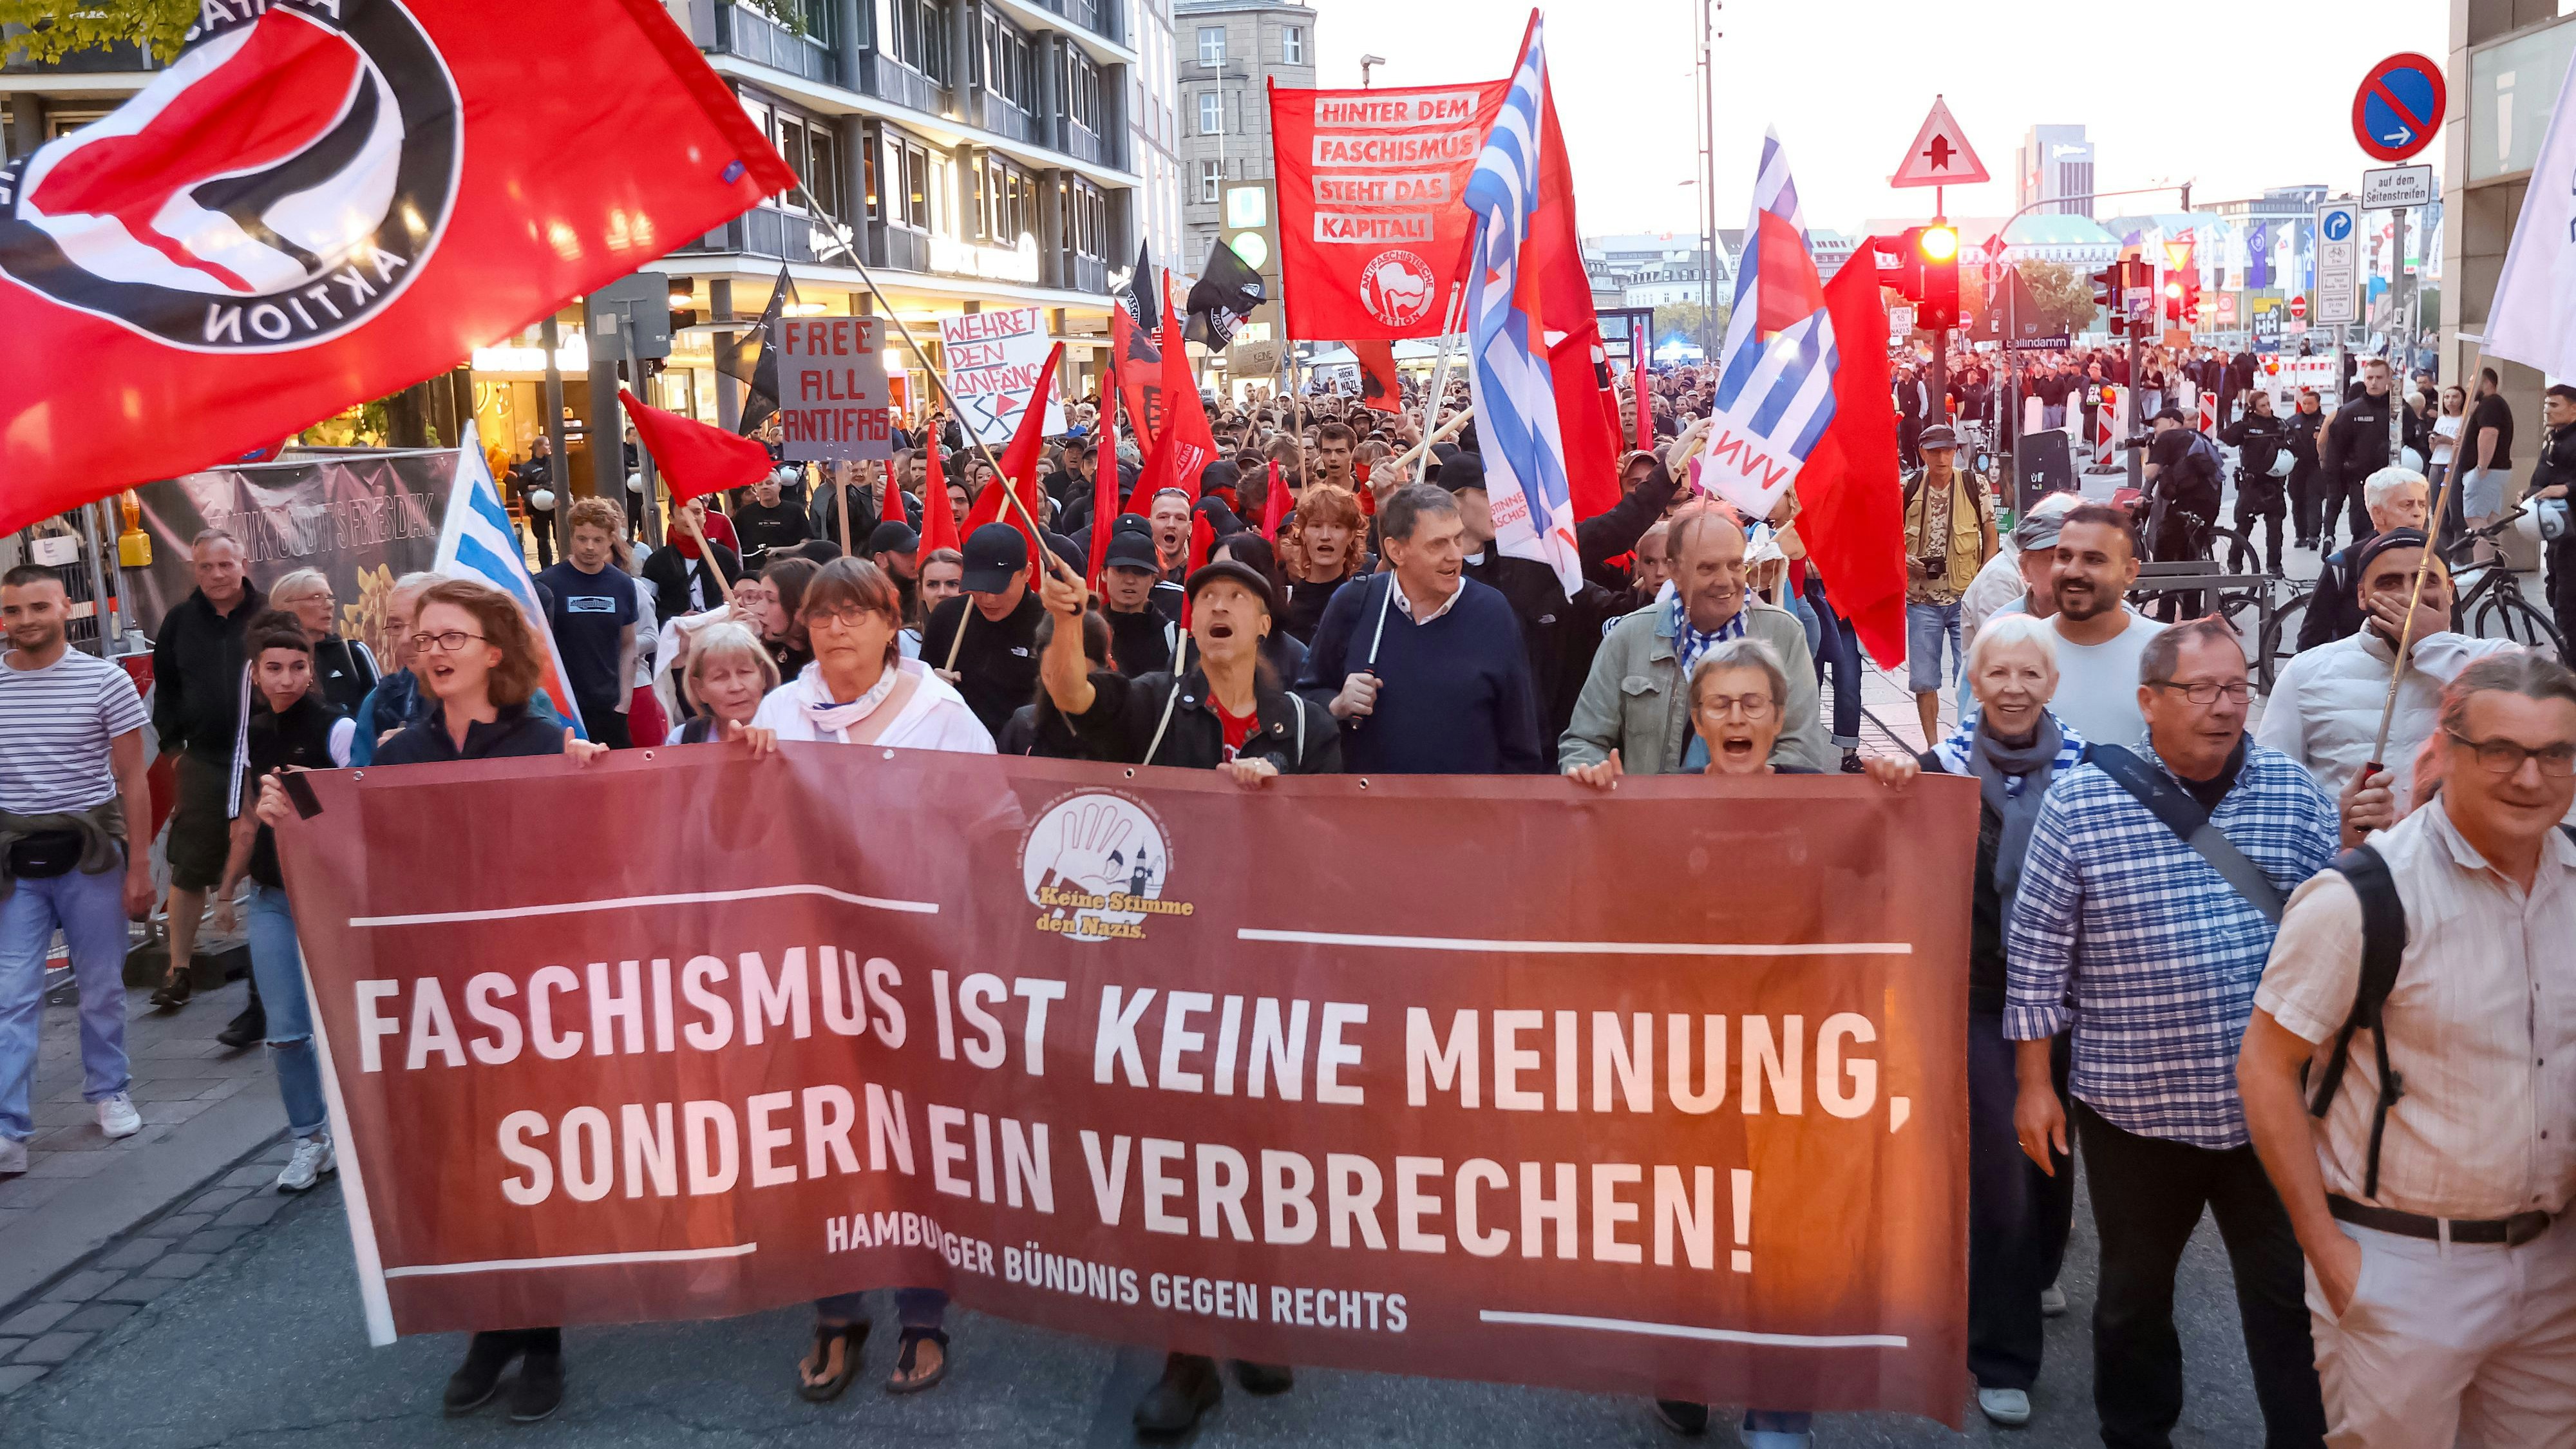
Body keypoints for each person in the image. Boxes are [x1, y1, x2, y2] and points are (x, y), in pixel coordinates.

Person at [2007, 616, 2340, 1449]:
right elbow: (2039, 951)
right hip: (2134, 1112)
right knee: (2132, 1299)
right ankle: (2136, 1434)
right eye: (2202, 689)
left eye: (2237, 687)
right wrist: (2036, 1083)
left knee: (2290, 1300)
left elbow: (2337, 938)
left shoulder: (2296, 795)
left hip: (2270, 1115)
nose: (2226, 706)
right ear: (2149, 701)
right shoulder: (2082, 801)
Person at [2239, 652, 2576, 1448]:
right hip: (2404, 1270)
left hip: (2555, 1272)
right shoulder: (2362, 897)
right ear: (2446, 749)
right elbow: (2265, 1065)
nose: (2529, 778)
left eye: (2555, 753)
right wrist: (2329, 1253)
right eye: (2500, 751)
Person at [1612, 634, 1911, 1448]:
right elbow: (1611, 919)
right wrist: (1588, 797)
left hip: (1794, 1068)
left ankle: (1779, 1405)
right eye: (1720, 704)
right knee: (1689, 1223)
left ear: (1780, 717)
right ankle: (1688, 1368)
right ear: (1698, 720)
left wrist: (1896, 796)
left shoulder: (1829, 804)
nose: (1736, 716)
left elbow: (1894, 895)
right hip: (1686, 1062)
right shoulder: (1652, 807)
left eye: (1753, 703)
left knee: (1788, 1236)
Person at [728, 558, 985, 1399]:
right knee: (823, 1137)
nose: (836, 628)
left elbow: (994, 826)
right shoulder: (778, 711)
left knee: (913, 1143)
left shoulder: (940, 712)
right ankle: (836, 1312)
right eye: (822, 614)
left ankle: (921, 1314)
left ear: (890, 623)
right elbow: (738, 832)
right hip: (811, 961)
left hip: (915, 960)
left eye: (855, 612)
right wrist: (745, 769)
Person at [363, 580, 603, 1420]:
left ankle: (540, 1340)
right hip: (440, 993)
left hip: (530, 992)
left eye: (453, 636)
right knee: (462, 1167)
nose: (433, 650)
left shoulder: (547, 741)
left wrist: (593, 777)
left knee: (528, 1164)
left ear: (494, 651)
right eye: (425, 638)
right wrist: (296, 803)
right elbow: (364, 851)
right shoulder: (397, 754)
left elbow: (594, 857)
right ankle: (488, 1327)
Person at [0, 565, 154, 1175]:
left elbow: (132, 779)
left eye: (38, 607)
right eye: (13, 611)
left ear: (67, 606)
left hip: (91, 853)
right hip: (15, 856)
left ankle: (109, 1090)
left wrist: (141, 866)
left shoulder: (106, 681)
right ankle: (9, 1127)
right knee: (11, 994)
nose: (25, 621)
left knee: (101, 984)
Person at [211, 615, 355, 1193]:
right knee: (287, 1033)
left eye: (298, 667)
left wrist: (303, 794)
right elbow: (248, 818)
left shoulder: (335, 728)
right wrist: (227, 889)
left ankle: (353, 1129)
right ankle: (308, 1138)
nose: (287, 678)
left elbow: (357, 815)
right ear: (256, 673)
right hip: (271, 896)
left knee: (344, 1023)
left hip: (330, 895)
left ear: (312, 670)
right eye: (275, 668)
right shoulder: (254, 731)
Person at [2259, 528, 2519, 825]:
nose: (2410, 595)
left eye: (2426, 581)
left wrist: (2432, 645)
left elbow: (2526, 714)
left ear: (2450, 591)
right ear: (2362, 595)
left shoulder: (2499, 657)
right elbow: (2273, 789)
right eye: (2390, 582)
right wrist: (2339, 830)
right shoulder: (2306, 672)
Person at [1562, 502, 1830, 779]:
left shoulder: (1784, 634)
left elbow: (1802, 750)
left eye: (1735, 565)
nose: (1726, 580)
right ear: (1675, 571)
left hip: (1751, 820)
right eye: (1708, 568)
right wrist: (1592, 771)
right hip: (1654, 820)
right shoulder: (1628, 637)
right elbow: (1583, 741)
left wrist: (1753, 783)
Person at [1296, 484, 1544, 775]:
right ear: (1396, 551)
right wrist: (1337, 705)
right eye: (1437, 544)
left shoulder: (1493, 611)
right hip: (1370, 810)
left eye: (1457, 539)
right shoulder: (1354, 603)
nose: (1455, 556)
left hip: (1466, 812)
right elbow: (1305, 700)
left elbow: (1521, 738)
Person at [148, 529, 266, 1011]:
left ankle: (274, 967)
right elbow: (167, 688)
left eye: (225, 564)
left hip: (263, 758)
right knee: (190, 863)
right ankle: (179, 969)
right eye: (205, 567)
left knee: (271, 862)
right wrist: (175, 748)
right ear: (193, 570)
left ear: (243, 562)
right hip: (204, 760)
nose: (216, 575)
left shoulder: (269, 616)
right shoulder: (178, 622)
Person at [2040, 505, 2165, 750]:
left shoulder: (2167, 651)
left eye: (2094, 560)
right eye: (2064, 556)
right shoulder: (2018, 649)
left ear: (2130, 572)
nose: (2073, 571)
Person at [1902, 424, 1997, 744]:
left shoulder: (1974, 484)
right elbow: (1886, 536)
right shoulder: (1908, 487)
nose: (1942, 458)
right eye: (1934, 451)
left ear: (1956, 451)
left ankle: (1967, 742)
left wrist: (1986, 575)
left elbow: (1990, 531)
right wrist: (1903, 561)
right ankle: (1932, 746)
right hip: (1921, 599)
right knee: (1924, 680)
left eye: (1947, 450)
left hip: (1965, 597)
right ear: (1922, 453)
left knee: (1971, 674)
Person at [915, 524, 1045, 740]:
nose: (988, 598)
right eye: (980, 585)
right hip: (959, 748)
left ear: (1027, 573)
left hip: (1025, 756)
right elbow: (918, 695)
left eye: (999, 586)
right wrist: (931, 686)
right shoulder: (948, 616)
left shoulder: (1050, 624)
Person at [535, 497, 641, 748]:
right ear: (571, 537)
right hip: (562, 708)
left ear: (611, 539)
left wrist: (624, 703)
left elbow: (629, 645)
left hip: (609, 709)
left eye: (598, 540)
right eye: (582, 539)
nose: (590, 547)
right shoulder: (548, 584)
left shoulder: (623, 585)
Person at [2295, 468, 2433, 652]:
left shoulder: (2433, 559)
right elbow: (2310, 642)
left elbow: (2454, 632)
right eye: (2407, 505)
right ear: (2378, 513)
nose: (2418, 513)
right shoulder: (2344, 564)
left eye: (2422, 505)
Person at [2319, 359, 2422, 551]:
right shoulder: (2350, 412)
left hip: (2397, 486)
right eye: (2370, 378)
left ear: (2389, 380)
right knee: (2363, 539)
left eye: (2379, 377)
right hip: (2362, 485)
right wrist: (2334, 486)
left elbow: (2418, 444)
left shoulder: (2401, 410)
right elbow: (2334, 453)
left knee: (2396, 537)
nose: (2374, 382)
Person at [2141, 408, 2225, 615]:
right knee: (2191, 559)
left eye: (2157, 424)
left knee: (2164, 555)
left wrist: (2145, 454)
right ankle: (2191, 616)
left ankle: (2165, 615)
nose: (2155, 429)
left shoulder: (2168, 436)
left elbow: (2150, 472)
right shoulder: (2199, 437)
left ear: (2171, 422)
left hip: (2188, 504)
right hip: (2210, 504)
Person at [264, 569, 378, 710]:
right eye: (316, 597)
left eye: (329, 597)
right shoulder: (262, 660)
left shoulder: (355, 653)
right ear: (285, 607)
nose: (329, 605)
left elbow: (382, 711)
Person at [1278, 484, 1368, 644]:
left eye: (1336, 526)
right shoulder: (1284, 604)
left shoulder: (1362, 602)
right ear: (1303, 534)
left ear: (1351, 536)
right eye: (1316, 526)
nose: (1325, 536)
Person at [665, 621, 779, 744]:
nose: (736, 687)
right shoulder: (683, 739)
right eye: (720, 677)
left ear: (762, 675)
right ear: (699, 688)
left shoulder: (790, 730)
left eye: (744, 672)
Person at [2221, 392, 2294, 576]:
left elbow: (2297, 447)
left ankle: (2275, 567)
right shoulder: (2247, 426)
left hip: (2273, 485)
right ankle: (2234, 564)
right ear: (2254, 407)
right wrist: (2242, 423)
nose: (2268, 408)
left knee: (2275, 528)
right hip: (2251, 485)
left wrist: (2285, 446)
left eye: (2269, 404)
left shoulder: (2280, 425)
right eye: (2263, 405)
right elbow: (2226, 438)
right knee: (2243, 527)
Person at [1097, 522, 1183, 677]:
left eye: (1140, 572)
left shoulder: (1174, 639)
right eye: (1121, 570)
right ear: (1104, 573)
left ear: (1153, 580)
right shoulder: (1089, 633)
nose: (1130, 580)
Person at [641, 496, 742, 626]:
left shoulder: (724, 556)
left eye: (697, 512)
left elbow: (742, 595)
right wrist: (675, 617)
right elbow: (646, 605)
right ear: (671, 518)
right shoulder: (657, 561)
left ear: (705, 517)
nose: (692, 518)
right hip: (678, 634)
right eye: (684, 513)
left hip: (721, 633)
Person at [2528, 385, 2576, 646]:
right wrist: (2530, 492)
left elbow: (2563, 484)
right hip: (2558, 532)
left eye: (2554, 405)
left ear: (2574, 408)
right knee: (2554, 588)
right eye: (2546, 404)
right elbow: (2543, 477)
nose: (2547, 410)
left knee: (2568, 599)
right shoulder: (2552, 437)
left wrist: (2568, 488)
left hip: (2573, 533)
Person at [2459, 369, 2518, 562]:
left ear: (2486, 383)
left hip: (2486, 471)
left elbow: (2489, 433)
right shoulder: (2494, 404)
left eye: (2472, 382)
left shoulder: (2490, 404)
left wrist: (2481, 467)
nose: (2469, 387)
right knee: (2491, 519)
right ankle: (2494, 565)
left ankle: (2481, 566)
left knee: (2476, 518)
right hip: (2494, 471)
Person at [730, 468, 813, 565]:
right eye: (760, 484)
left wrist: (780, 550)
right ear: (756, 489)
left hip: (789, 568)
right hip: (755, 570)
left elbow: (806, 543)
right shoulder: (744, 514)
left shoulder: (795, 511)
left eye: (769, 483)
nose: (765, 487)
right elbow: (736, 546)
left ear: (779, 486)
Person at [2287, 391, 2329, 551]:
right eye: (2304, 403)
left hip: (2316, 467)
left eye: (2310, 403)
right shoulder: (2293, 422)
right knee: (2297, 500)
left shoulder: (2325, 422)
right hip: (2297, 467)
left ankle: (2314, 535)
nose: (2306, 407)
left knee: (2314, 499)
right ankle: (2301, 535)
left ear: (2318, 404)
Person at [509, 437, 560, 569]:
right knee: (543, 540)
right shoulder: (527, 468)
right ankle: (546, 568)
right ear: (539, 447)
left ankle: (563, 565)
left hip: (556, 505)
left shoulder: (554, 463)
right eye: (547, 445)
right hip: (538, 507)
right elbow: (523, 489)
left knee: (560, 537)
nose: (549, 447)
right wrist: (540, 488)